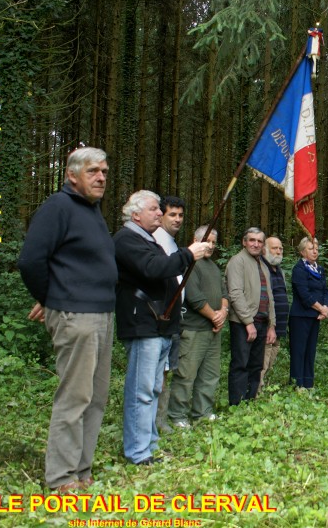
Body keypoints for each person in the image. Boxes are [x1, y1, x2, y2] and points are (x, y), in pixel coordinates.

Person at [18, 147, 116, 493]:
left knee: (96, 396)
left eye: (104, 171)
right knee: (74, 397)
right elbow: (31, 261)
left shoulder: (91, 211)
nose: (101, 177)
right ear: (72, 175)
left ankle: (81, 469)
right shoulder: (57, 207)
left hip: (102, 314)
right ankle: (61, 478)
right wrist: (52, 298)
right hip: (77, 315)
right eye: (92, 171)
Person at [113, 190, 209, 465]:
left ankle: (149, 445)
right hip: (143, 325)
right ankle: (138, 452)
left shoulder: (147, 240)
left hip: (159, 325)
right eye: (155, 209)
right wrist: (189, 254)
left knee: (154, 388)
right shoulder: (127, 240)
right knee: (141, 390)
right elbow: (155, 269)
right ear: (136, 215)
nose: (160, 213)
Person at [167, 226, 228, 427]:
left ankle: (202, 412)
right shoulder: (189, 264)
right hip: (193, 329)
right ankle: (178, 415)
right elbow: (194, 298)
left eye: (213, 242)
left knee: (210, 374)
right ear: (195, 239)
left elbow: (224, 294)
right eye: (206, 241)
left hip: (212, 330)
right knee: (186, 374)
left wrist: (223, 312)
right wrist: (215, 317)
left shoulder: (213, 266)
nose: (210, 246)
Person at [226, 227, 277, 404]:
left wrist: (272, 325)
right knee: (240, 363)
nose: (255, 244)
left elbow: (269, 296)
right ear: (244, 241)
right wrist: (248, 322)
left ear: (263, 245)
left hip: (263, 322)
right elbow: (235, 293)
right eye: (252, 240)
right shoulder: (237, 262)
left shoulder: (263, 264)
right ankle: (236, 404)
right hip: (243, 323)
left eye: (259, 241)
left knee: (256, 365)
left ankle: (250, 400)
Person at [152, 195, 186, 434]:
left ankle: (160, 420)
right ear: (161, 215)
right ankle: (154, 423)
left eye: (180, 215)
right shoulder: (156, 240)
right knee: (156, 373)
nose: (177, 219)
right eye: (172, 214)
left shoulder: (172, 242)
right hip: (158, 317)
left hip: (174, 317)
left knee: (166, 370)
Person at [289, 236, 328, 389]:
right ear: (302, 252)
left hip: (316, 317)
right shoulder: (299, 269)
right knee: (299, 351)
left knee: (310, 351)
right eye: (311, 249)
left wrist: (326, 308)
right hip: (300, 316)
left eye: (317, 249)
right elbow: (304, 295)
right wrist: (321, 308)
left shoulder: (319, 269)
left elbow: (325, 290)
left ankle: (308, 384)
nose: (315, 251)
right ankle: (296, 385)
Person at [259, 236, 290, 393]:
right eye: (274, 248)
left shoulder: (279, 271)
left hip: (280, 325)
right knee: (262, 358)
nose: (278, 251)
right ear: (264, 249)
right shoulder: (261, 268)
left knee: (271, 359)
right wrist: (270, 323)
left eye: (280, 248)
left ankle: (261, 386)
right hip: (267, 324)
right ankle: (255, 391)